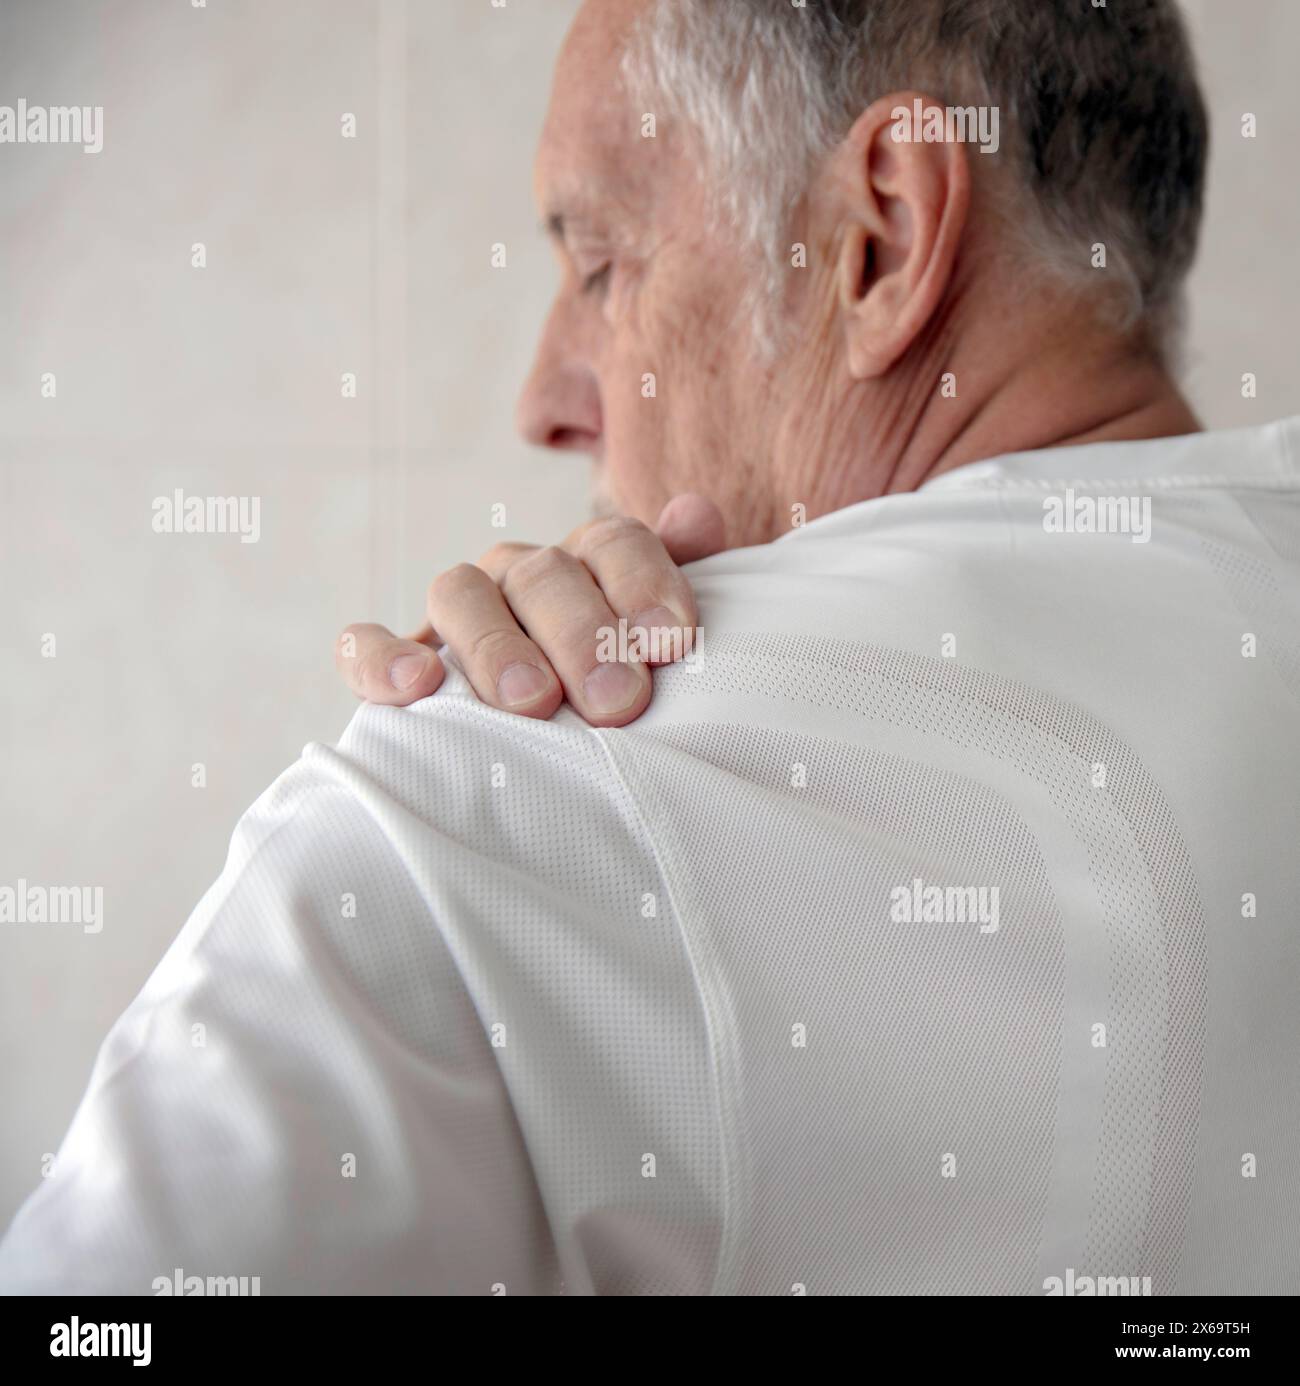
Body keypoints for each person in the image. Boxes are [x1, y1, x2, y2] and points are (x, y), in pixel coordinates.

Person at [3, 0, 1298, 1295]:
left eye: (603, 264)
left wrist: (468, 735)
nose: (544, 398)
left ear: (882, 237)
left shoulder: (484, 817)